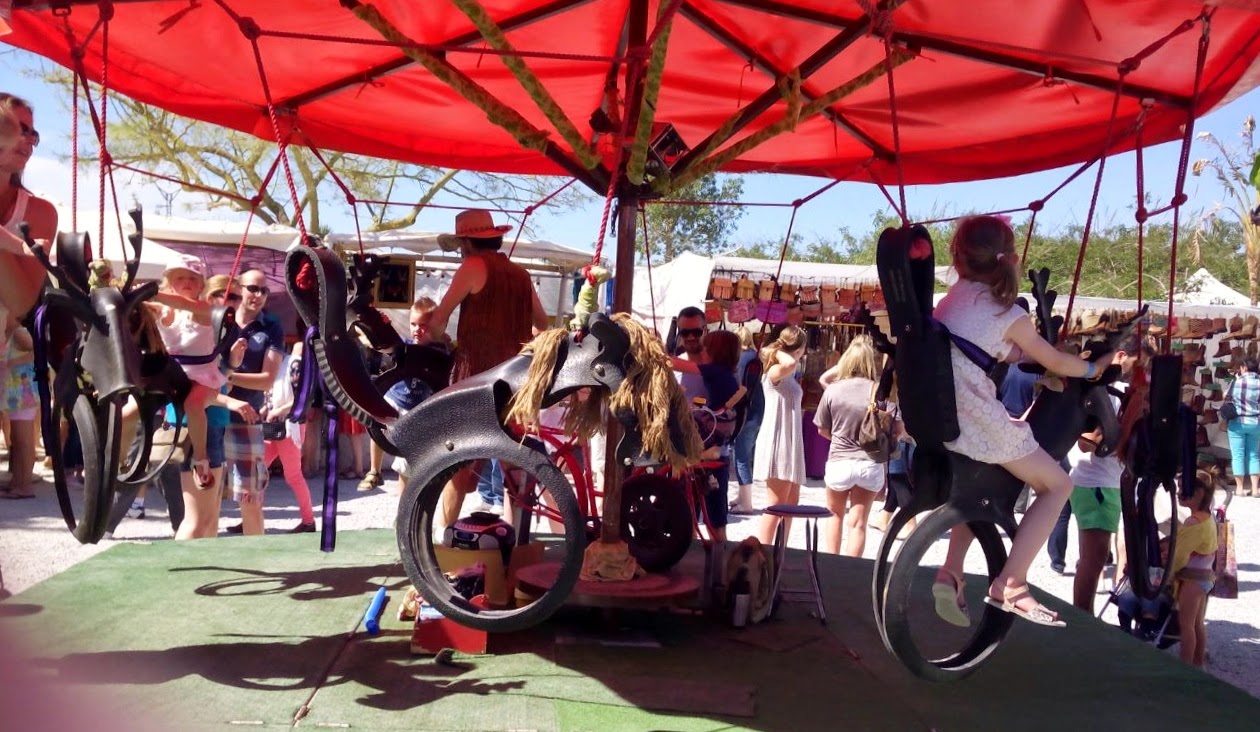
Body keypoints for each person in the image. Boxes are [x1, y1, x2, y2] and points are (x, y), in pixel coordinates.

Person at [931, 215, 1114, 628]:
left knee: (983, 486)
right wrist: (1093, 368)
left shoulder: (951, 301)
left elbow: (981, 347)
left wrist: (1021, 354)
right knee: (1058, 485)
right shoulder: (1008, 313)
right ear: (1010, 260)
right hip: (977, 423)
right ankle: (1011, 583)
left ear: (958, 258)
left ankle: (951, 569)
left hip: (941, 419)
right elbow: (1056, 361)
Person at [427, 209, 549, 528]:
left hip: (477, 381)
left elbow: (437, 322)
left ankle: (444, 540)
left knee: (459, 465)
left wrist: (443, 338)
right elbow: (542, 323)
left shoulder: (472, 266)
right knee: (515, 468)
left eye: (460, 245)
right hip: (517, 382)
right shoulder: (521, 275)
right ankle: (515, 541)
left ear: (467, 243)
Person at [1066, 335, 1145, 612]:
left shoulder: (1110, 390)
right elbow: (1088, 441)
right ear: (1121, 356)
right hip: (1096, 482)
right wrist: (1129, 419)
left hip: (1098, 482)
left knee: (1094, 558)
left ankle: (1082, 616)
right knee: (1094, 558)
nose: (1141, 370)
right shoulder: (1108, 392)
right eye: (1138, 363)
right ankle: (1082, 618)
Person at [814, 334, 899, 557]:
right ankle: (852, 568)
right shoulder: (880, 391)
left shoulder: (833, 390)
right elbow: (896, 429)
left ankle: (832, 564)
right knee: (859, 523)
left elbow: (822, 429)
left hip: (839, 461)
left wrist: (841, 438)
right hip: (870, 463)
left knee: (834, 515)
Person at [363, 297, 449, 494]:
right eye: (413, 324)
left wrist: (443, 339)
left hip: (418, 411)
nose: (417, 329)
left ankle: (405, 504)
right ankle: (374, 470)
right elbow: (384, 345)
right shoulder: (404, 347)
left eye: (423, 326)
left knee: (407, 466)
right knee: (376, 421)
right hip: (396, 399)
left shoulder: (439, 351)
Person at [221, 267, 284, 536]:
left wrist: (227, 376)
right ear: (238, 288)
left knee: (251, 498)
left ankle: (258, 554)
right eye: (253, 288)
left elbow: (267, 380)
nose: (258, 295)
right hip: (211, 414)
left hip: (246, 419)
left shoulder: (271, 327)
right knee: (207, 494)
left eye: (264, 290)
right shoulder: (220, 319)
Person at [671, 329, 746, 543]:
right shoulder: (728, 374)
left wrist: (653, 352)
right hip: (722, 439)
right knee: (716, 519)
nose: (700, 351)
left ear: (715, 352)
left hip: (713, 436)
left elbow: (675, 364)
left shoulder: (715, 371)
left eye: (705, 348)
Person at [0, 93, 57, 325]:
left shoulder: (40, 213)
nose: (29, 141)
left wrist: (12, 245)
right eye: (19, 129)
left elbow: (21, 305)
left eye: (33, 134)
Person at [753, 325, 808, 547]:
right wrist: (775, 350)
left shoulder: (787, 373)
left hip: (789, 438)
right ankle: (762, 551)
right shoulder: (776, 370)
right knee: (776, 505)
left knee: (791, 503)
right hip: (779, 439)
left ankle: (781, 551)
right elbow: (790, 363)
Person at [260, 337, 317, 533]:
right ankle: (252, 515)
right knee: (257, 471)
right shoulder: (289, 364)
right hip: (277, 425)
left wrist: (276, 410)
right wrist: (267, 408)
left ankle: (308, 521)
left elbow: (302, 399)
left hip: (289, 426)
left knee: (292, 475)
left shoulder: (295, 365)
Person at [1172, 468, 1218, 668]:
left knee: (1186, 626)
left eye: (1182, 488)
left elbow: (1179, 555)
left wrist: (1168, 573)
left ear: (1198, 493)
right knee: (1197, 624)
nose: (1178, 492)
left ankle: (1186, 667)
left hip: (1192, 579)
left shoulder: (1193, 522)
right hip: (1205, 578)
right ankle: (1198, 664)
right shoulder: (1207, 517)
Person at [0, 313, 36, 499]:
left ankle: (25, 485)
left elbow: (37, 352)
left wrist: (9, 363)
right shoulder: (10, 333)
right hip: (15, 394)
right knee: (17, 438)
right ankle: (17, 481)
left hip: (24, 392)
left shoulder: (20, 332)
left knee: (24, 441)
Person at [730, 325, 762, 515]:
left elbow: (740, 387)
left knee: (741, 456)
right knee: (745, 454)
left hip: (746, 413)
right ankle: (742, 497)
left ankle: (746, 502)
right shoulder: (754, 357)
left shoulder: (741, 359)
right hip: (756, 411)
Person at [1225, 356, 1260, 498]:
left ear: (1244, 368)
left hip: (1237, 423)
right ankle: (1255, 489)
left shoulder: (1236, 382)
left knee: (1238, 455)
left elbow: (1226, 396)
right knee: (1254, 455)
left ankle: (1239, 489)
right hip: (1255, 423)